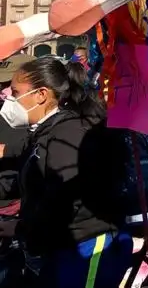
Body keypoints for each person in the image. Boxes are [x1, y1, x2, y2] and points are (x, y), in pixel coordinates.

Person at [0, 56, 132, 288]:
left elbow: (63, 197)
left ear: (41, 95)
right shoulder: (47, 130)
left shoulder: (69, 132)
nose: (9, 99)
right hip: (62, 247)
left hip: (89, 244)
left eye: (15, 92)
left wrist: (21, 227)